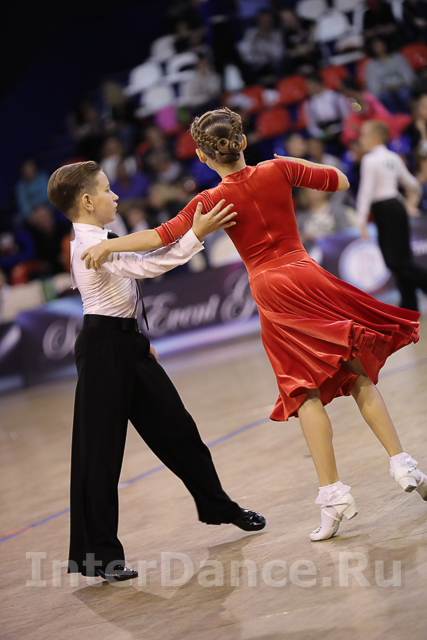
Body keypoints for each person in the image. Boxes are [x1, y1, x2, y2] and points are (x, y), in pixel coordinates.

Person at [83, 108, 427, 543]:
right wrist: (293, 163)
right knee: (356, 372)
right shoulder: (278, 170)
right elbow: (340, 180)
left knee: (303, 392)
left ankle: (334, 497)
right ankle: (402, 463)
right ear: (243, 142)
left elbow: (159, 235)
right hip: (308, 274)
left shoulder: (211, 200)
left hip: (271, 289)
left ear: (203, 158)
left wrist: (107, 249)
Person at [47, 160, 265, 582]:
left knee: (179, 431)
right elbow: (147, 266)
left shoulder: (106, 241)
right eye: (107, 190)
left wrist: (138, 339)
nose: (115, 196)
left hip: (127, 344)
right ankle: (99, 556)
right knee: (100, 455)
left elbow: (134, 277)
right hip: (102, 350)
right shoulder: (88, 248)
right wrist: (197, 234)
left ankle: (220, 507)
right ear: (87, 201)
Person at [356, 120, 427, 311]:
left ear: (375, 137)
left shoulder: (369, 160)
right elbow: (412, 183)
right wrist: (411, 202)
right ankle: (409, 305)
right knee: (403, 258)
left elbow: (366, 191)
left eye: (364, 135)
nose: (361, 140)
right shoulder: (393, 157)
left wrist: (361, 219)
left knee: (393, 260)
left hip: (384, 209)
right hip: (397, 206)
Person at [365, 38, 415, 114]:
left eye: (380, 45)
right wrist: (382, 91)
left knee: (404, 94)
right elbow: (372, 85)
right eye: (376, 46)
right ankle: (394, 118)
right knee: (386, 98)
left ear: (385, 45)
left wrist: (405, 85)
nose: (379, 48)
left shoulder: (397, 57)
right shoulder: (371, 65)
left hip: (401, 86)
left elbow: (408, 75)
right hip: (384, 90)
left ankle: (408, 115)